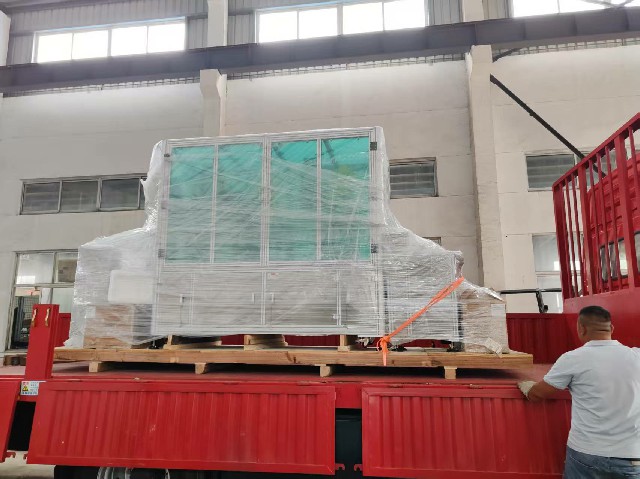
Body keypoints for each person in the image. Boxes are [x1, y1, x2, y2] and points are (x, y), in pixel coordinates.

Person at [518, 305, 640, 479]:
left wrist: (526, 385)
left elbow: (537, 394)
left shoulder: (573, 359)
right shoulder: (636, 356)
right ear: (611, 328)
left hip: (587, 454)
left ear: (581, 329)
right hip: (632, 457)